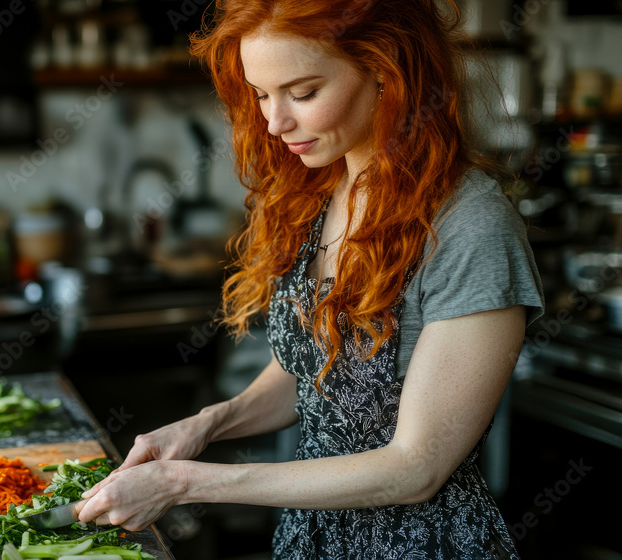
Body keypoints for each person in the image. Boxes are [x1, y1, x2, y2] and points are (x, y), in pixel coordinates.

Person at [76, 0, 545, 558]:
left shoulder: (471, 226)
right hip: (313, 540)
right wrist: (207, 425)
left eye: (302, 93)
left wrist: (186, 482)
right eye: (261, 94)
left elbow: (416, 467)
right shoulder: (319, 193)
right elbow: (313, 371)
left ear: (385, 69)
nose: (275, 123)